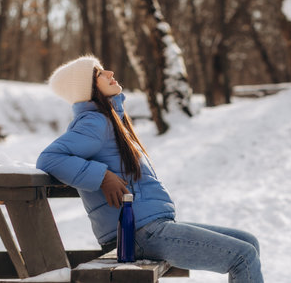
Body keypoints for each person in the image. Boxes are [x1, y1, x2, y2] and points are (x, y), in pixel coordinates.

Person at [36, 55, 264, 283]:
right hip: (138, 234)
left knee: (248, 242)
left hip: (149, 228)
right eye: (99, 74)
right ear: (88, 89)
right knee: (243, 256)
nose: (110, 74)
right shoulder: (94, 123)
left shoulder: (110, 120)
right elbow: (49, 158)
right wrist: (103, 177)